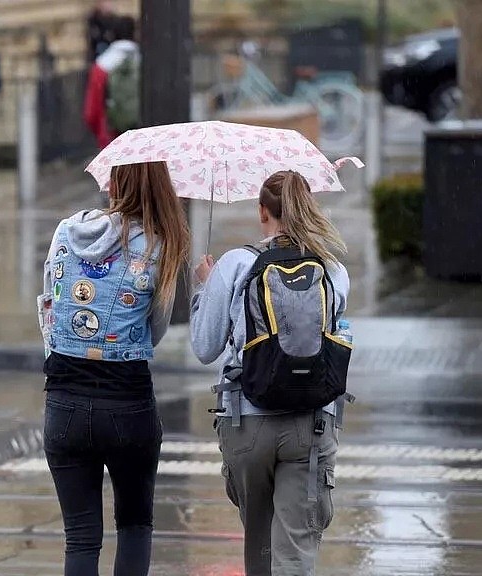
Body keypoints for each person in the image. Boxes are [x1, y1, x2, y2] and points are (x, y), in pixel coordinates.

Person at [189, 171, 351, 576]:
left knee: (259, 548)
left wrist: (205, 289)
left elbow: (205, 347)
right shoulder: (332, 270)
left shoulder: (235, 265)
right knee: (294, 553)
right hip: (311, 424)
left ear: (262, 211)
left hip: (247, 420)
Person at [37, 161, 190, 576]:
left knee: (81, 537)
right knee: (135, 525)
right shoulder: (159, 245)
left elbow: (49, 306)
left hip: (64, 399)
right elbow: (155, 331)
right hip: (128, 404)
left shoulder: (65, 231)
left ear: (113, 181)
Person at [84, 16, 140, 149]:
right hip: (143, 141)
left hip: (111, 142)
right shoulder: (145, 62)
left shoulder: (101, 66)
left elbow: (91, 113)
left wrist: (102, 133)